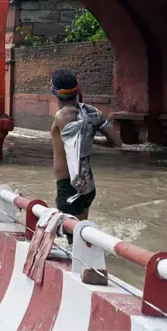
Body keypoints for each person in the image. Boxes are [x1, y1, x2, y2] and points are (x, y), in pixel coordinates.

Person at [49, 70, 122, 233]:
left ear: (53, 90)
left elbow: (73, 147)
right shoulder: (93, 112)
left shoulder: (62, 116)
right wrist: (91, 139)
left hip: (70, 186)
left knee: (72, 238)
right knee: (80, 234)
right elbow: (117, 142)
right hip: (88, 186)